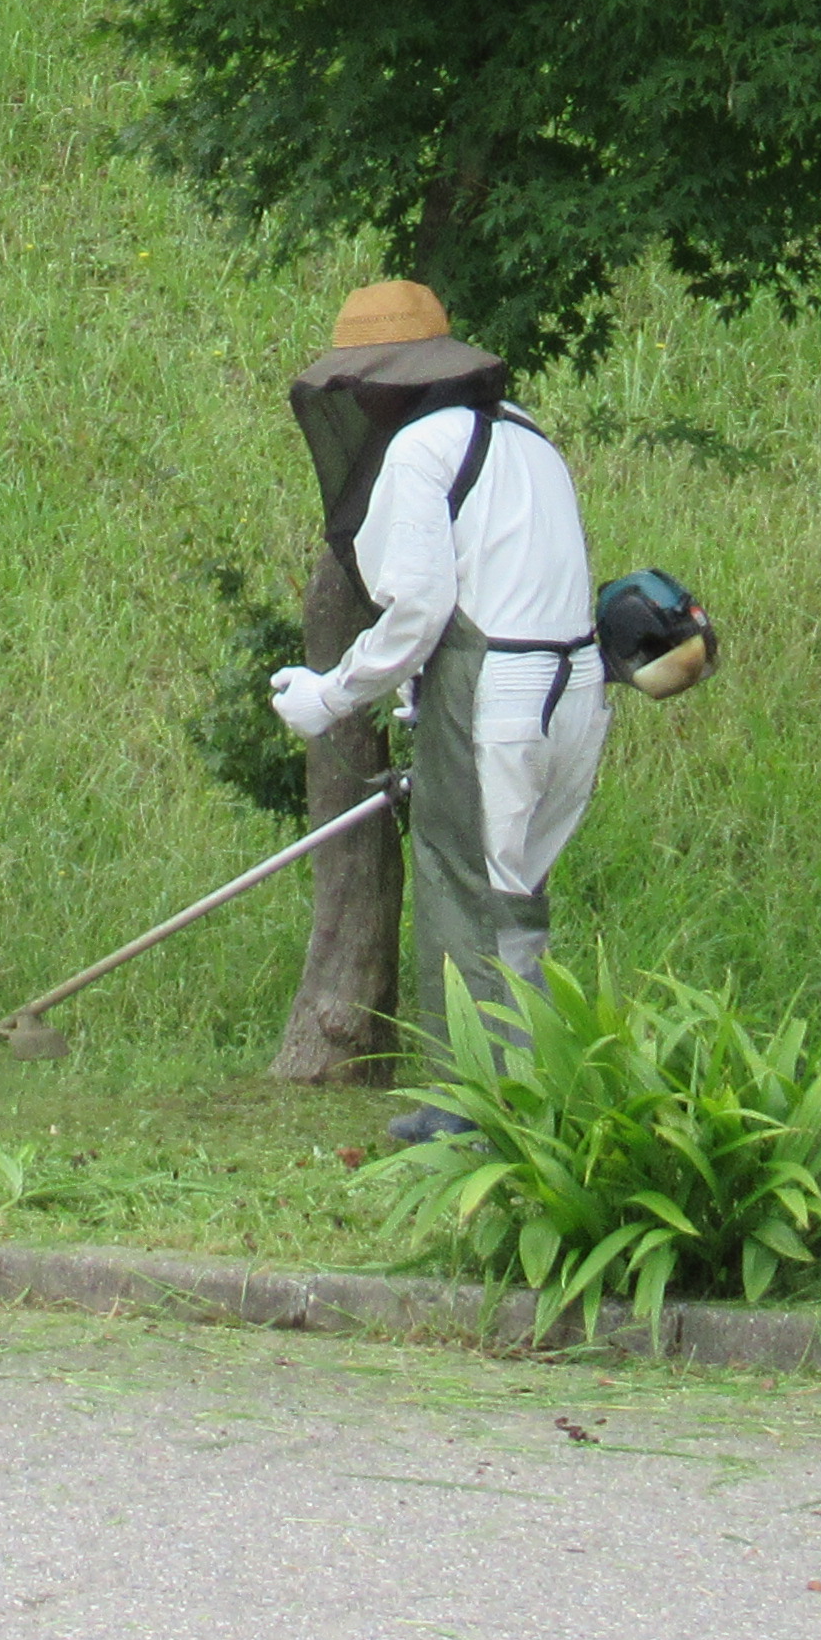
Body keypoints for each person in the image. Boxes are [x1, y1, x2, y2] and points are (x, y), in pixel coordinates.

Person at [265, 276, 607, 1141]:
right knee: (518, 900)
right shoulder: (529, 436)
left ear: (382, 384)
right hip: (576, 695)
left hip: (495, 696)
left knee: (464, 893)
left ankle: (472, 1115)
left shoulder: (420, 452)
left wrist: (331, 694)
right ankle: (531, 1104)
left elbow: (417, 609)